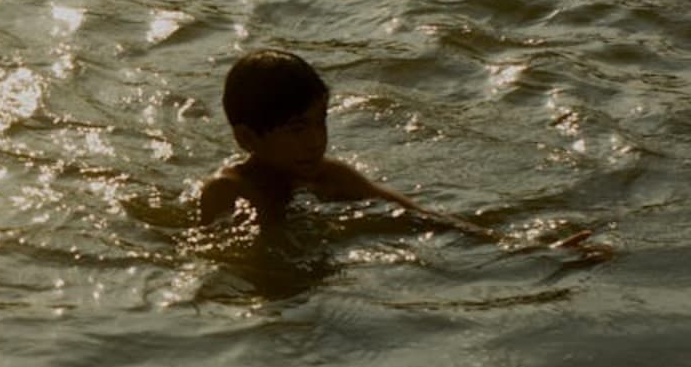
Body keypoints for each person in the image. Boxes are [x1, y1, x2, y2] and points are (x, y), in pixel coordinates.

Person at [199, 49, 500, 237]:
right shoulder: (227, 190)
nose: (316, 141)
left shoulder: (331, 176)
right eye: (297, 129)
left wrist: (494, 241)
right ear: (247, 138)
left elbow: (415, 215)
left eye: (321, 121)